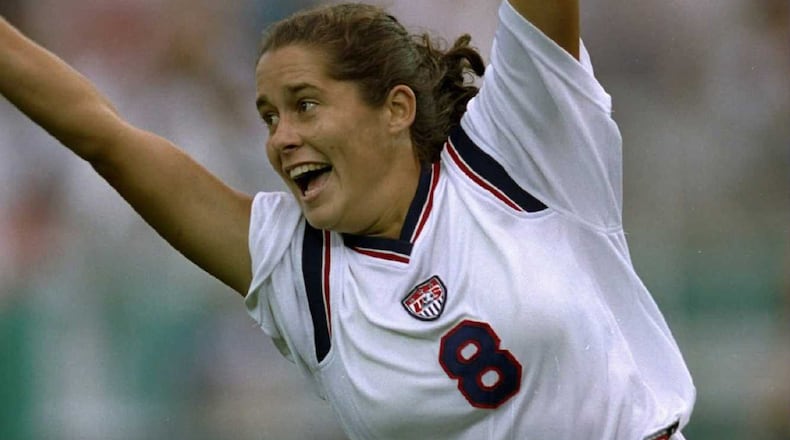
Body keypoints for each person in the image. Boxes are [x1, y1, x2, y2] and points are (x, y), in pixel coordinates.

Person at [0, 0, 696, 438]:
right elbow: (103, 135)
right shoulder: (295, 270)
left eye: (305, 104)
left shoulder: (518, 147)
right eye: (269, 117)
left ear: (396, 108)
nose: (280, 137)